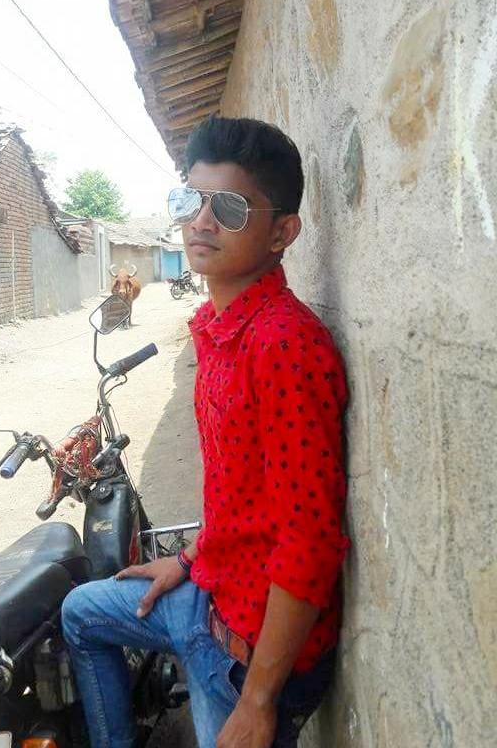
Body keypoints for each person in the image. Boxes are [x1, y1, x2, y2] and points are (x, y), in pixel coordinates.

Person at [62, 117, 350, 748]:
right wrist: (190, 559)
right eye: (191, 199)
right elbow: (239, 496)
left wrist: (258, 701)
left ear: (282, 233)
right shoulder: (216, 327)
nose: (201, 221)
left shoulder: (282, 346)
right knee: (80, 612)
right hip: (210, 593)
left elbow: (309, 542)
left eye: (230, 207)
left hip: (247, 651)